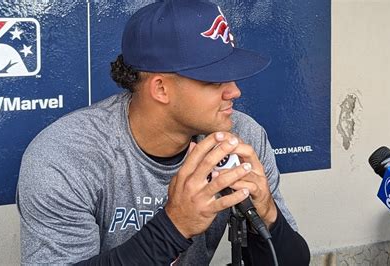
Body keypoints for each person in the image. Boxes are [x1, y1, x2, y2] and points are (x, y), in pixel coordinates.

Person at [17, 0, 310, 265]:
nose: (234, 91)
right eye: (214, 80)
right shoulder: (65, 156)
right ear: (160, 88)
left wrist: (268, 216)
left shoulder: (239, 137)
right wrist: (175, 226)